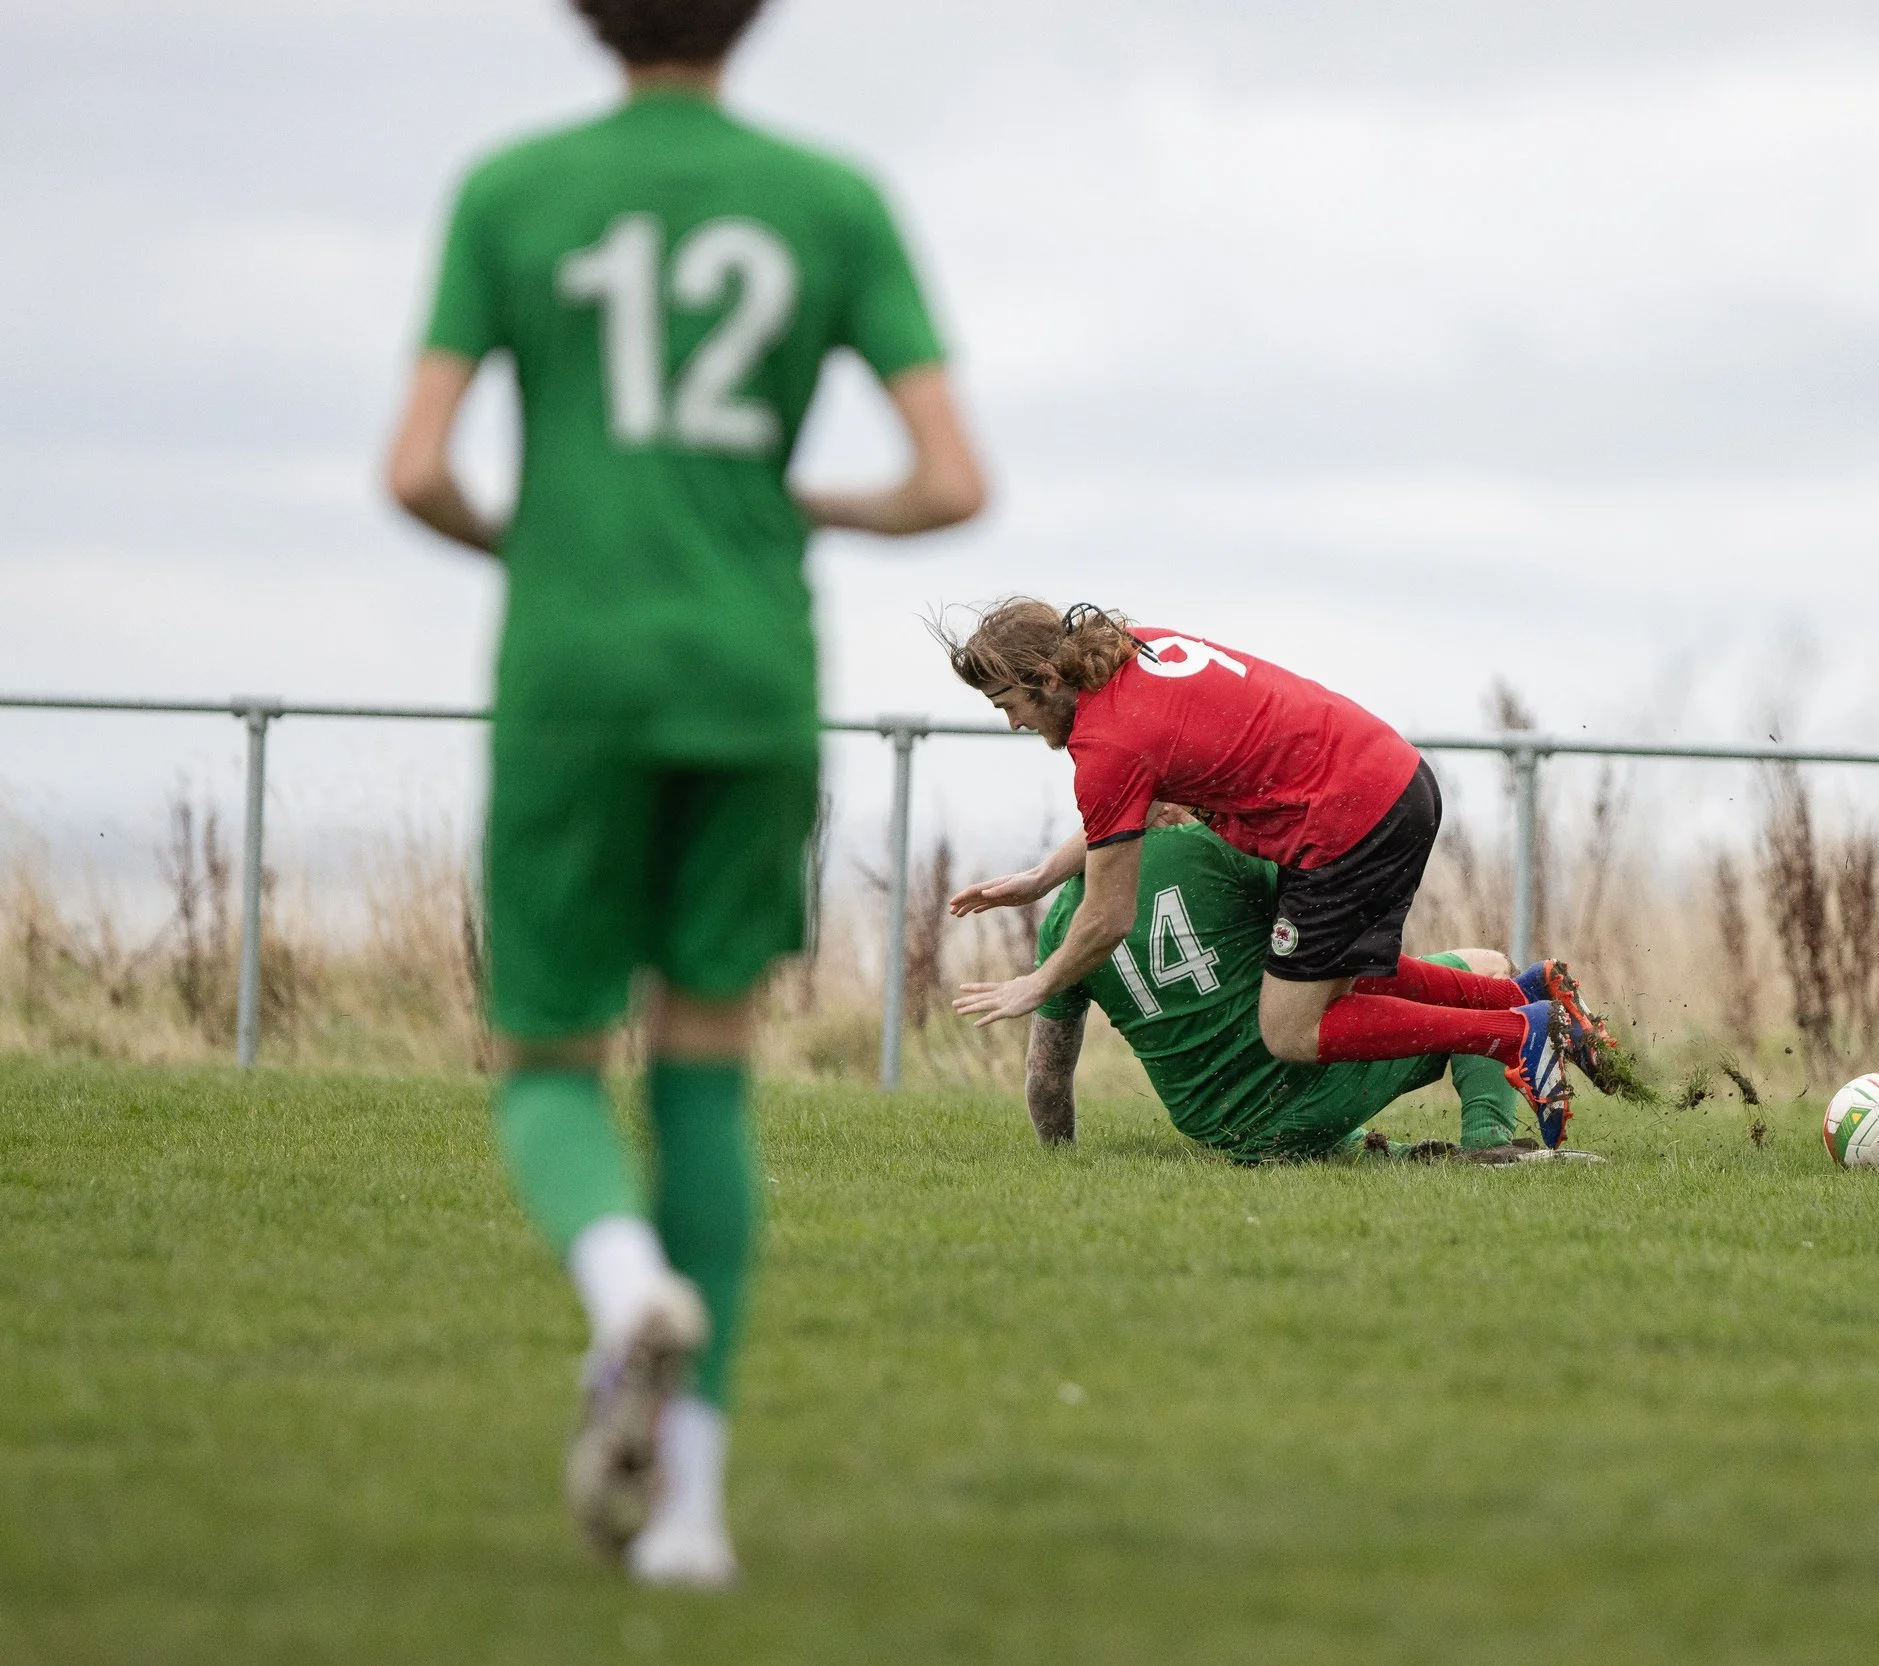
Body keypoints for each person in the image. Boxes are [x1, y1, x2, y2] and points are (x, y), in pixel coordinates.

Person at [382, 0, 984, 1587]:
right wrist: (798, 500)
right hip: (749, 671)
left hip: (574, 672)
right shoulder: (831, 199)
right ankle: (696, 1518)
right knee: (708, 1064)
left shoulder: (511, 191)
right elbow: (953, 481)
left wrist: (547, 541)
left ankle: (622, 1278)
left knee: (546, 1060)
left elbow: (416, 468)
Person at [942, 602, 1632, 1140]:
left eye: (1010, 704)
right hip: (1390, 779)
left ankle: (1518, 1033)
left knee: (1292, 1030)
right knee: (1339, 983)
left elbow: (1107, 918)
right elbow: (1129, 807)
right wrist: (1039, 878)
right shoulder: (1132, 651)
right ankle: (1529, 997)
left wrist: (1036, 983)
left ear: (1047, 679)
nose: (1010, 723)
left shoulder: (1106, 745)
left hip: (1347, 823)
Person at [1026, 817, 1596, 1164]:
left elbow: (1046, 1074)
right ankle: (1489, 1146)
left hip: (1227, 1133)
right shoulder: (1206, 848)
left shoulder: (1060, 927)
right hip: (1302, 1084)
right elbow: (1335, 941)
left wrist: (1061, 1160)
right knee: (1487, 968)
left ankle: (1362, 1151)